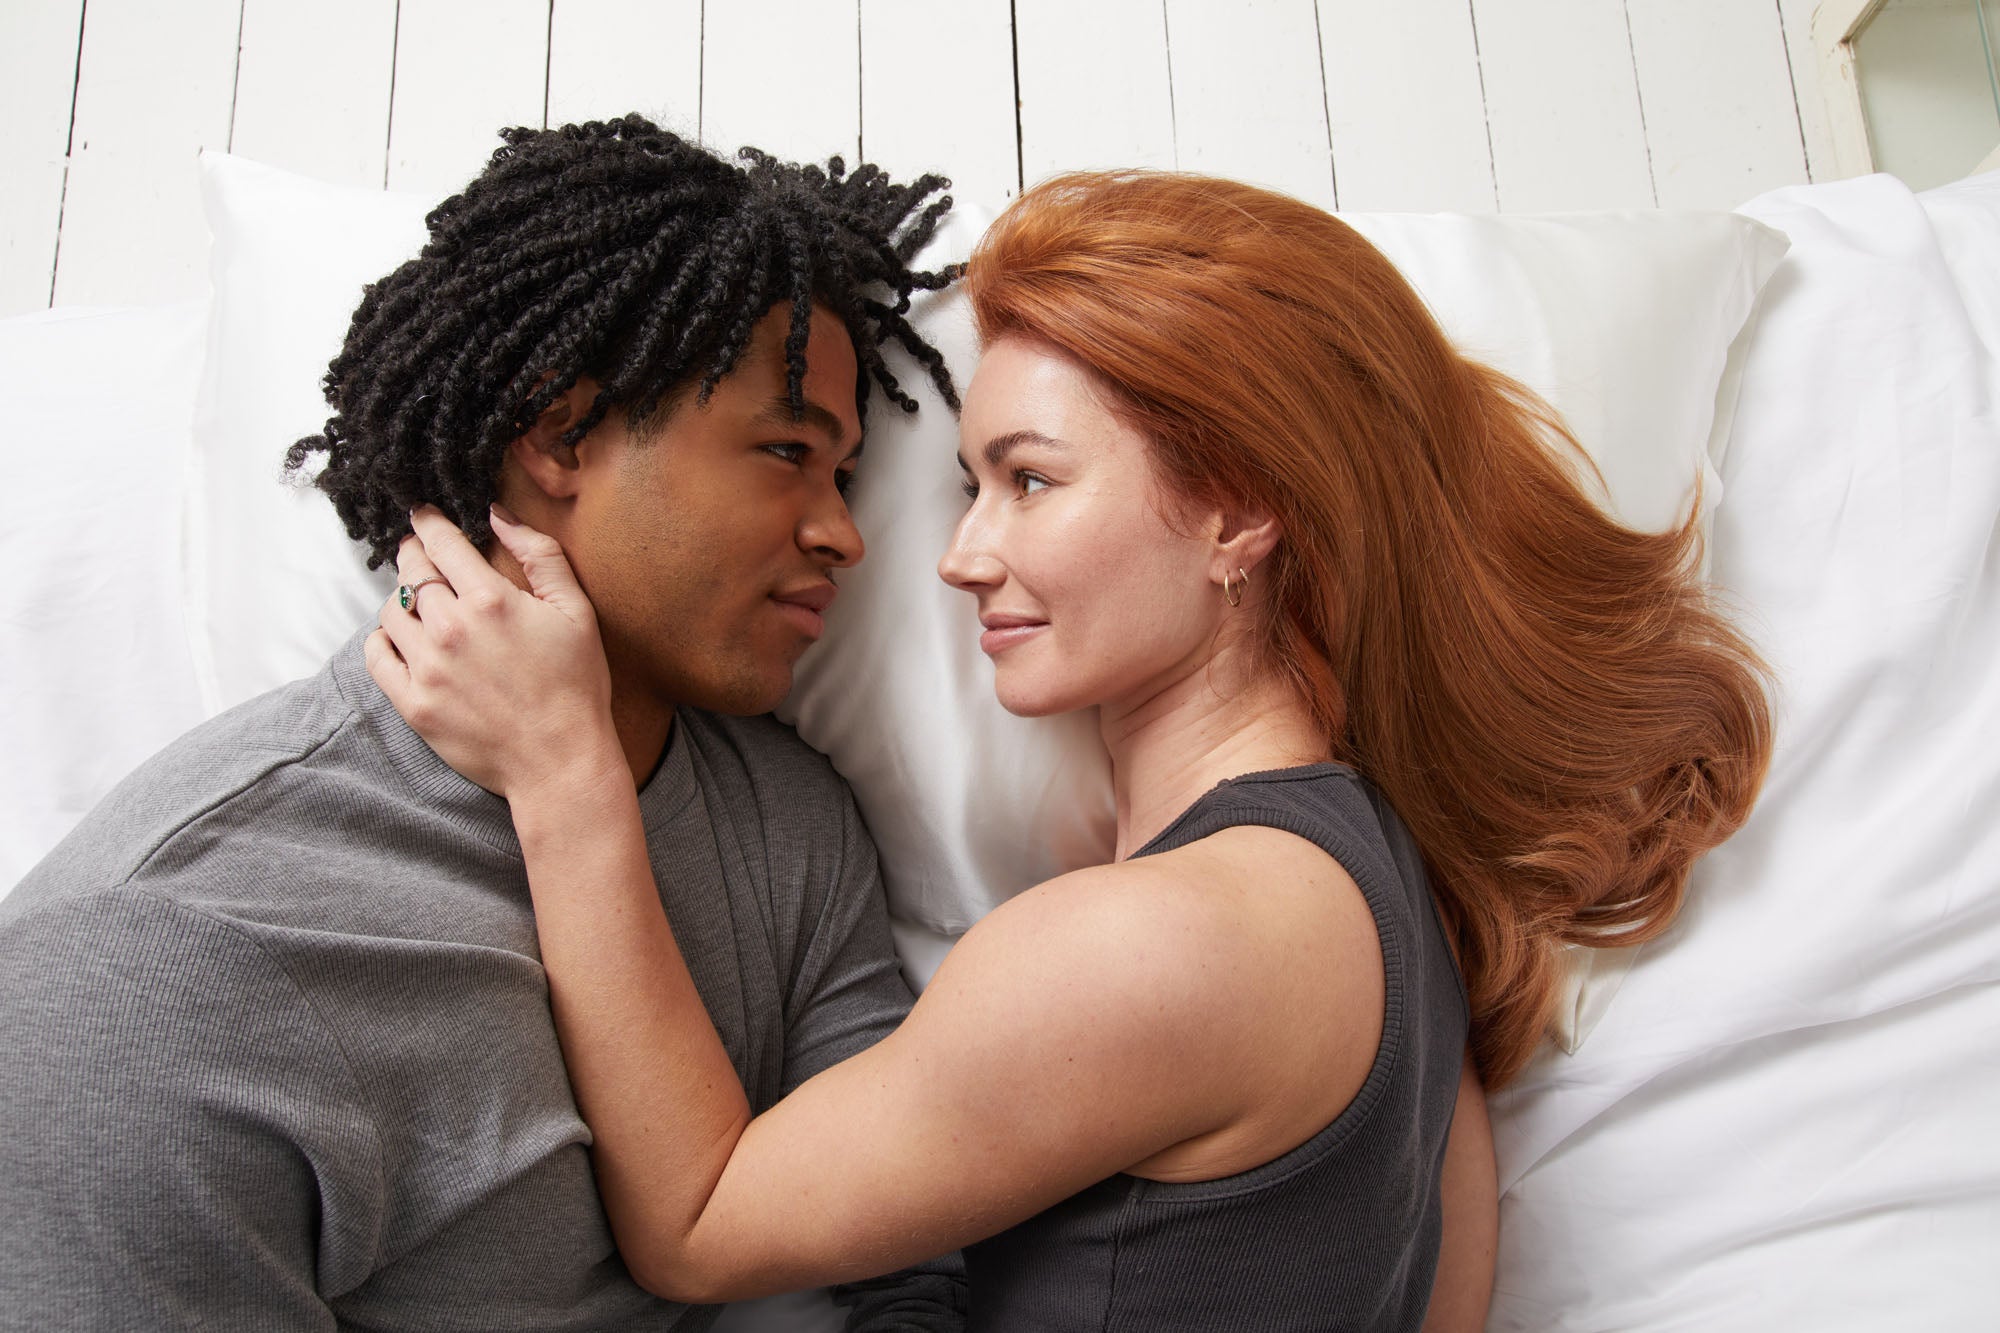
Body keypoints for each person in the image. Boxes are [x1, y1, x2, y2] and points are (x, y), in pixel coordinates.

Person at [374, 170, 1776, 1332]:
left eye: (1029, 481)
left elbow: (699, 1221)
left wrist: (565, 772)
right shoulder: (1387, 891)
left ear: (1237, 512)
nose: (963, 555)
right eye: (972, 485)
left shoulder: (1156, 946)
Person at [0, 116, 969, 1330]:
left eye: (845, 476)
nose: (844, 533)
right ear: (559, 437)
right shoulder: (146, 967)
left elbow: (902, 1275)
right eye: (787, 451)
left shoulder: (791, 827)